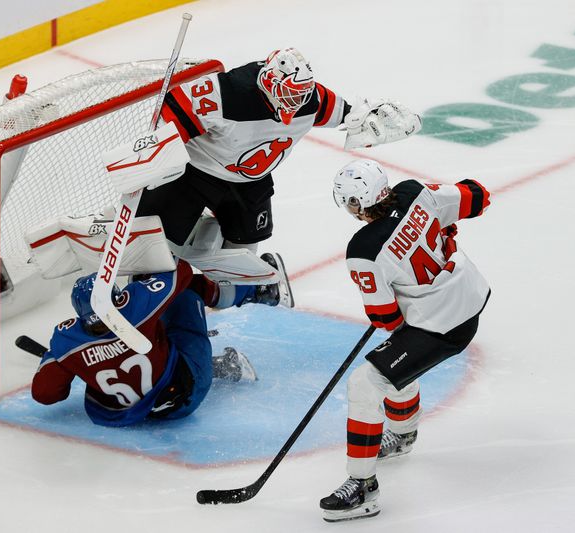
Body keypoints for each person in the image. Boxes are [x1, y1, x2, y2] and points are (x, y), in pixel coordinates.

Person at [121, 48, 421, 294]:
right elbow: (172, 114)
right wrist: (157, 156)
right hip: (195, 174)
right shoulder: (227, 93)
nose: (296, 103)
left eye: (301, 95)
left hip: (250, 183)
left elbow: (347, 115)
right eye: (290, 96)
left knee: (242, 258)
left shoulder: (310, 99)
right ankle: (156, 299)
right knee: (156, 254)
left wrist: (367, 119)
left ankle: (225, 292)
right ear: (269, 83)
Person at [319, 159, 491, 522]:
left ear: (354, 204)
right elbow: (478, 197)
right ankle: (402, 435)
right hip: (471, 298)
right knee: (392, 358)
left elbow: (385, 317)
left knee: (366, 383)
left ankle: (363, 488)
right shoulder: (415, 193)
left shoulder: (364, 249)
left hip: (441, 326)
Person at [31, 259, 275, 426]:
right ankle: (260, 291)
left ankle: (217, 364)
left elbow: (45, 394)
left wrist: (56, 360)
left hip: (122, 416)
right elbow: (181, 271)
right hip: (183, 400)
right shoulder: (134, 307)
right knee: (185, 293)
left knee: (156, 341)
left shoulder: (66, 341)